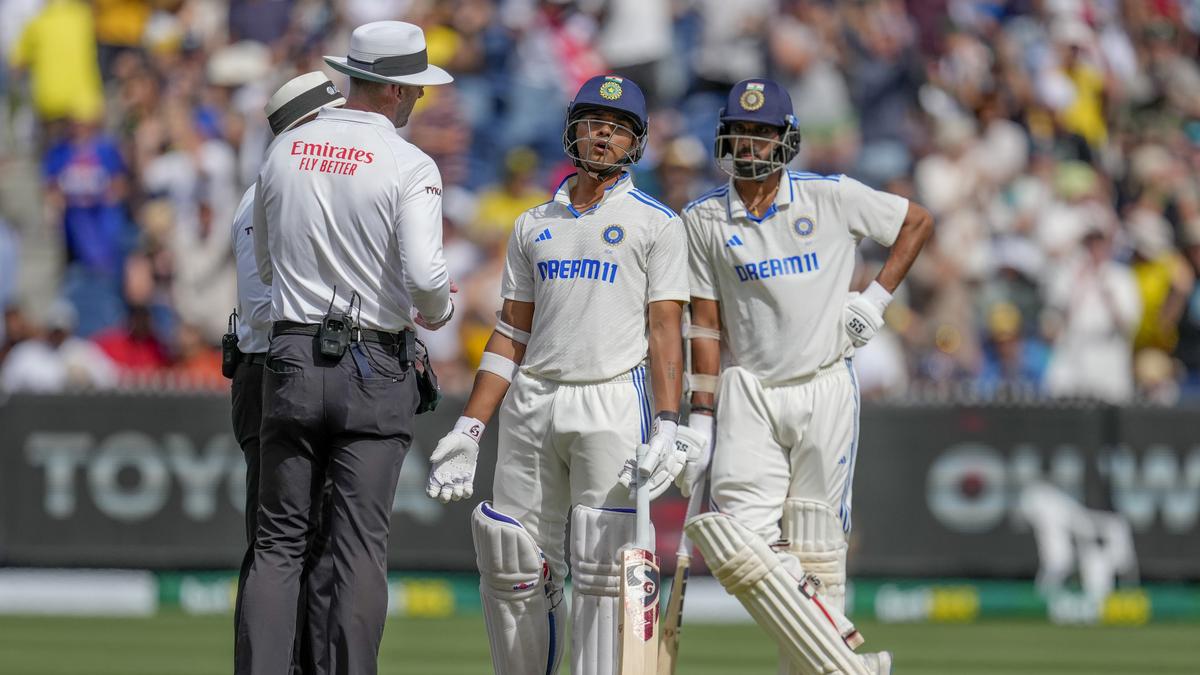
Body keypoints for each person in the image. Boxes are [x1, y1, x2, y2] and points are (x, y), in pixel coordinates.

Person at [424, 74, 689, 675]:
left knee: (604, 572)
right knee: (510, 559)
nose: (604, 136)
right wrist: (469, 428)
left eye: (618, 128)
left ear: (636, 142)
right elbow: (511, 333)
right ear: (573, 128)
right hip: (532, 399)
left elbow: (666, 330)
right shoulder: (532, 224)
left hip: (613, 398)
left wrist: (670, 423)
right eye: (595, 123)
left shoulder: (657, 223)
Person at [681, 79, 933, 675]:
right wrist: (699, 418)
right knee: (732, 540)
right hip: (748, 390)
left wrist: (874, 300)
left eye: (763, 134)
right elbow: (706, 327)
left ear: (786, 140)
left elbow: (916, 222)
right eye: (740, 133)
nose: (750, 145)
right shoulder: (703, 219)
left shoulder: (831, 197)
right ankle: (846, 663)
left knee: (819, 547)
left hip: (825, 384)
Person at [235, 21, 455, 675]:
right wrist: (437, 309)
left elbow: (268, 264)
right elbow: (425, 277)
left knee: (278, 543)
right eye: (413, 89)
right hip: (374, 360)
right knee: (358, 547)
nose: (416, 101)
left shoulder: (285, 150)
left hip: (293, 354)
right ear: (393, 91)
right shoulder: (408, 162)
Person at [227, 70, 345, 675]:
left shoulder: (274, 189)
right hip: (276, 365)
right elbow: (268, 303)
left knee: (292, 543)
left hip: (274, 366)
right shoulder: (270, 194)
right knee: (284, 545)